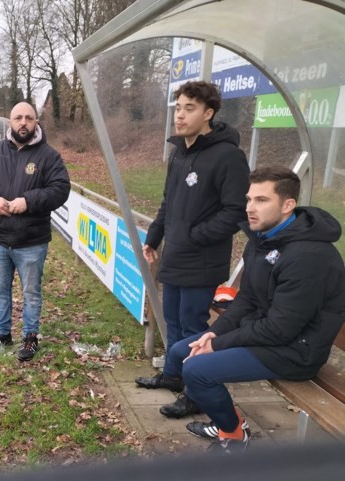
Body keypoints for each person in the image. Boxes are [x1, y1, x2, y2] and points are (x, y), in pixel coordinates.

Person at [157, 166, 345, 452]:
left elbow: (282, 328)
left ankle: (233, 435)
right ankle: (226, 421)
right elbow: (247, 299)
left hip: (297, 351)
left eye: (261, 200)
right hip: (271, 337)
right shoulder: (264, 238)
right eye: (248, 199)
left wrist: (218, 344)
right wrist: (213, 334)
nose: (249, 208)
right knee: (184, 349)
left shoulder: (309, 256)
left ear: (288, 205)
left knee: (196, 369)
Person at [135, 80, 250, 391]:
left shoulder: (228, 156)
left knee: (192, 327)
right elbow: (167, 201)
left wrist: (195, 235)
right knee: (172, 323)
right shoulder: (179, 152)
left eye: (190, 109)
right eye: (178, 108)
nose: (180, 116)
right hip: (174, 254)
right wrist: (155, 236)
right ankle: (173, 376)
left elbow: (236, 211)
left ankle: (194, 389)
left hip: (202, 260)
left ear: (208, 113)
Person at [0, 102, 70, 362]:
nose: (23, 122)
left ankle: (31, 336)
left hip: (31, 241)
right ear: (10, 122)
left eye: (29, 118)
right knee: (0, 289)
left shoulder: (49, 156)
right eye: (18, 118)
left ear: (36, 121)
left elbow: (60, 189)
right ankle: (3, 333)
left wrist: (28, 200)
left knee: (31, 292)